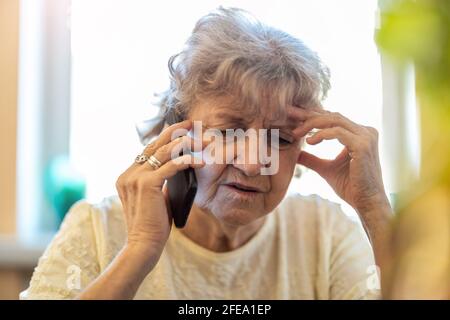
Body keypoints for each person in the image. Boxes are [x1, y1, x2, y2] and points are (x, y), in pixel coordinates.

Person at [21, 7, 392, 300]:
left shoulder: (325, 232)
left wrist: (375, 210)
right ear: (177, 134)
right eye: (227, 132)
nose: (250, 163)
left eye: (280, 139)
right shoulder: (97, 228)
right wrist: (139, 251)